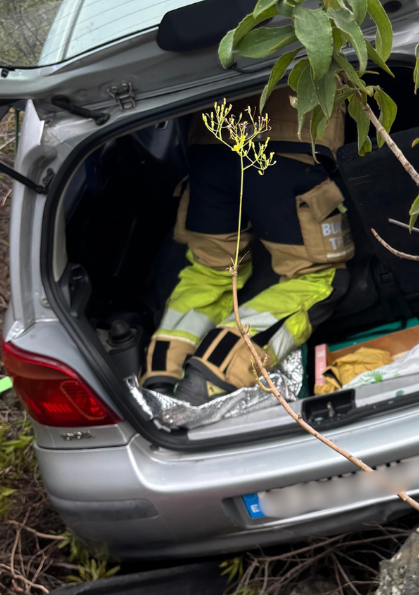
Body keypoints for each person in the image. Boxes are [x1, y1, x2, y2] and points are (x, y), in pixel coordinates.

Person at [141, 90, 353, 402]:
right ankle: (218, 372)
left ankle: (161, 374)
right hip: (286, 148)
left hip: (209, 148)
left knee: (211, 271)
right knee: (322, 279)